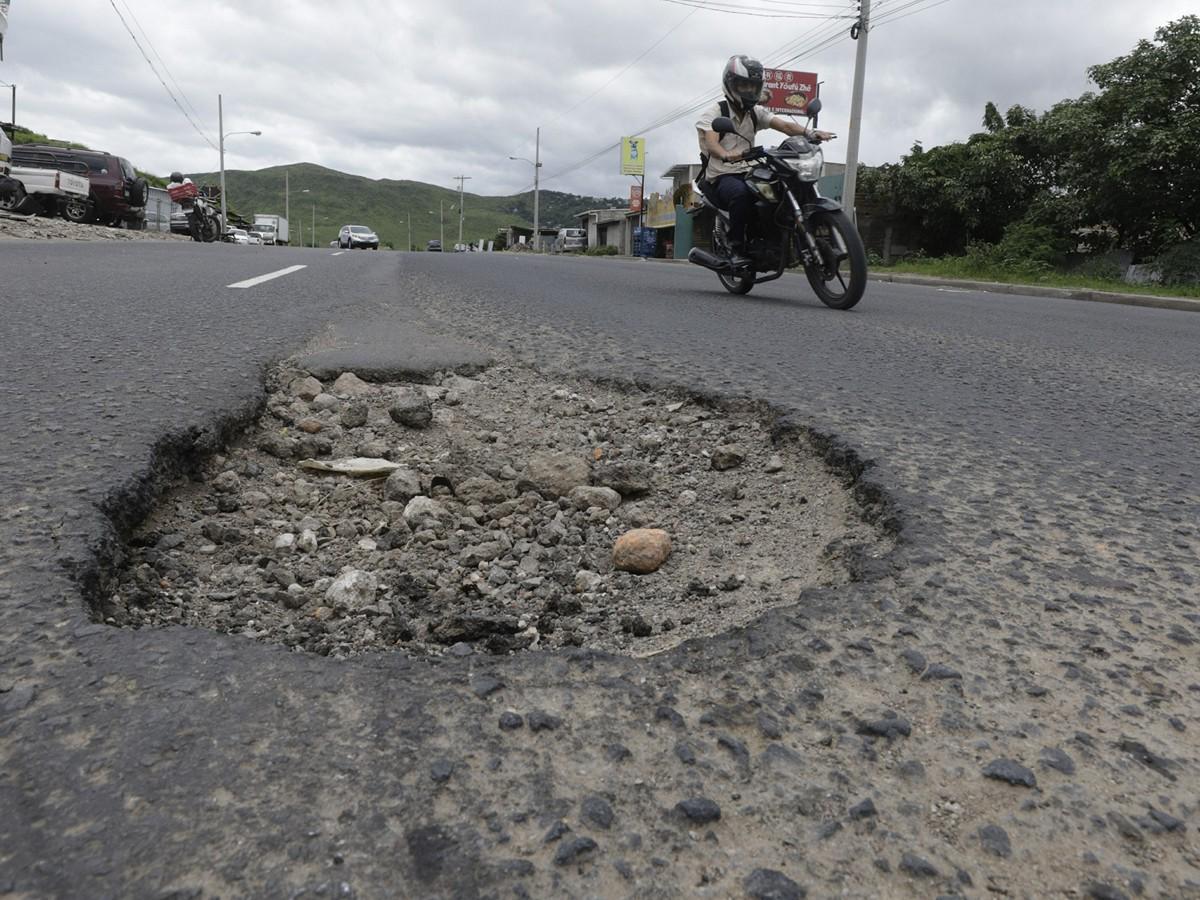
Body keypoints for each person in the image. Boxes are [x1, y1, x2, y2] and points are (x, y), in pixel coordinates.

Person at [696, 55, 836, 268]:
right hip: (722, 174)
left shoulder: (755, 112)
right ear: (731, 84)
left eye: (753, 86)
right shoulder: (716, 112)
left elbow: (785, 126)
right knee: (741, 194)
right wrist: (725, 153)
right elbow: (712, 143)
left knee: (779, 187)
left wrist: (812, 132)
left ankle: (774, 243)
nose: (748, 90)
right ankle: (735, 249)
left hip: (749, 169)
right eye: (743, 85)